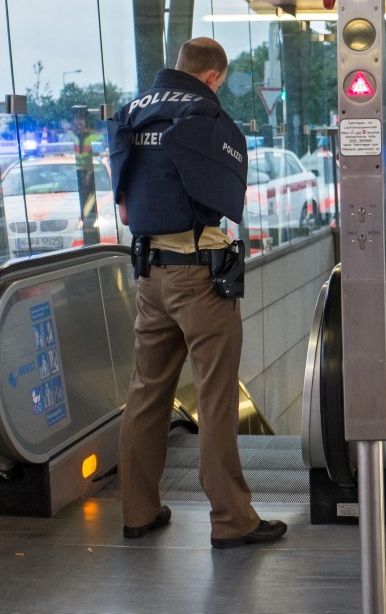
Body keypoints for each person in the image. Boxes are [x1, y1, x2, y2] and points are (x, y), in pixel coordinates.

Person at [106, 37, 286, 549]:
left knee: (146, 393)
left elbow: (124, 210)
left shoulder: (132, 113)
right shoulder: (206, 117)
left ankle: (138, 512)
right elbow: (225, 203)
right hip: (198, 275)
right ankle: (232, 520)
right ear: (214, 76)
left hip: (149, 275)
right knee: (215, 396)